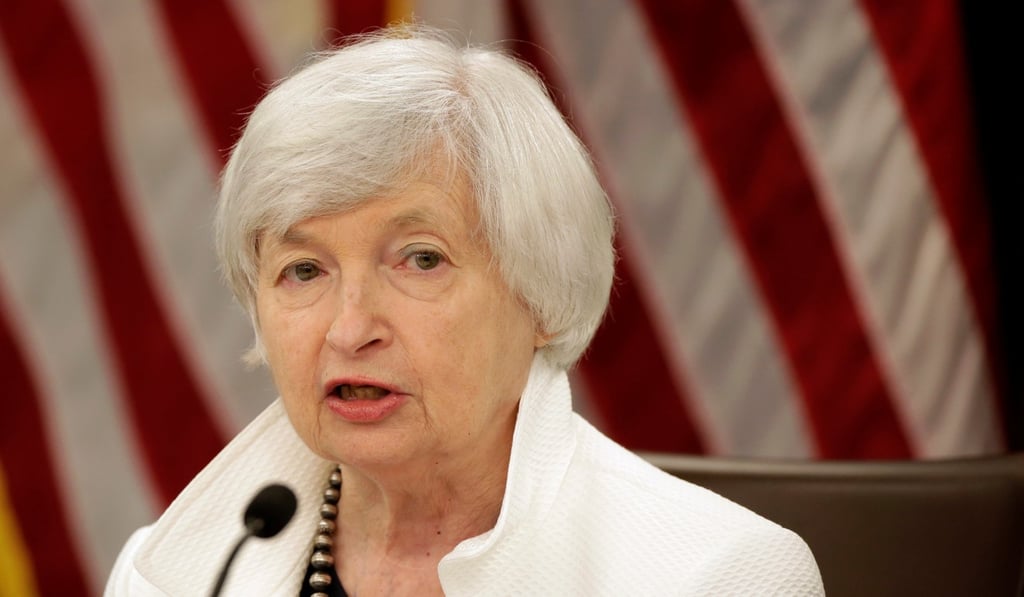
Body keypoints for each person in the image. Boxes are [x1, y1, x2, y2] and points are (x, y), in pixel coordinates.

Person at [105, 25, 823, 596]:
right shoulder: (174, 574)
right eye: (303, 270)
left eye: (420, 258)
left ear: (540, 293)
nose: (351, 329)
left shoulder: (716, 577)